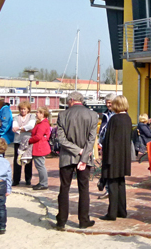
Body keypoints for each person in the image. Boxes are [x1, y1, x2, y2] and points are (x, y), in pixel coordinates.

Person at [56, 91, 99, 230]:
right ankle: (83, 220)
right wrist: (83, 155)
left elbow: (61, 139)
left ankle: (61, 220)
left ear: (71, 100)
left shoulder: (62, 115)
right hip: (85, 157)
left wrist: (78, 151)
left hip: (67, 157)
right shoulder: (93, 115)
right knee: (84, 189)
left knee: (64, 188)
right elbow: (91, 139)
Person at [100, 95, 133, 220]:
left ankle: (112, 213)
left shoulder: (114, 119)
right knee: (121, 183)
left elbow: (109, 139)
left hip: (113, 156)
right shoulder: (128, 118)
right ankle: (122, 210)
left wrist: (105, 155)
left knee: (113, 184)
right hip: (123, 156)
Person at [12, 101, 35, 186]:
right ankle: (16, 180)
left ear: (28, 109)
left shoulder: (32, 116)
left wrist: (20, 128)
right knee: (17, 160)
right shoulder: (16, 117)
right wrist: (25, 129)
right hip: (18, 141)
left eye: (24, 109)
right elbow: (14, 128)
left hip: (28, 141)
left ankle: (28, 179)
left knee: (28, 160)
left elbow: (31, 126)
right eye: (21, 109)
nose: (23, 111)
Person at [97, 94, 116, 200]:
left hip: (113, 145)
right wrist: (100, 143)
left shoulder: (117, 114)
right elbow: (103, 128)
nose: (108, 104)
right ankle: (107, 189)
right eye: (107, 102)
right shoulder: (106, 114)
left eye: (110, 102)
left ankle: (111, 190)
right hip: (105, 144)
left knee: (112, 168)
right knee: (105, 167)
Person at [29, 106, 52, 190]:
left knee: (40, 166)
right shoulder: (42, 123)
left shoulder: (43, 124)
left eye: (38, 112)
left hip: (39, 147)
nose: (36, 113)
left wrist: (29, 140)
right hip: (40, 146)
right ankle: (42, 182)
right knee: (40, 165)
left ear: (43, 114)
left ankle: (43, 183)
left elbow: (38, 136)